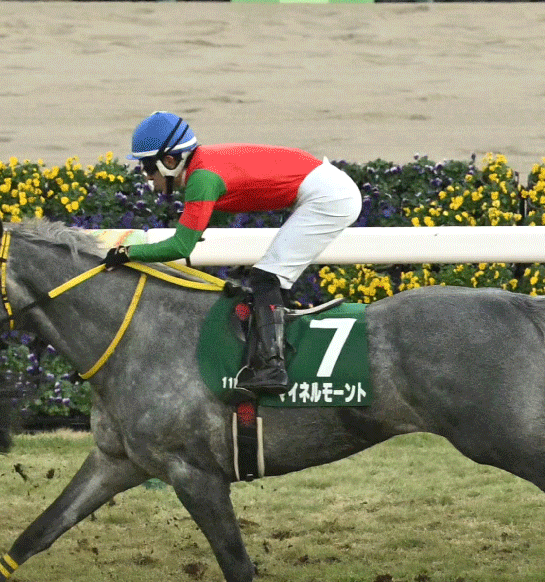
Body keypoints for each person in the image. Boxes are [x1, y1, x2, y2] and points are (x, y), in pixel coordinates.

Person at [105, 111, 363, 397]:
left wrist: (127, 253)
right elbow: (211, 218)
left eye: (147, 167)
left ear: (169, 161)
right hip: (323, 188)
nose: (146, 176)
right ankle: (272, 352)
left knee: (266, 278)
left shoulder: (202, 178)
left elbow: (180, 247)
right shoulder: (202, 166)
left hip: (329, 198)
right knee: (265, 279)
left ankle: (272, 368)